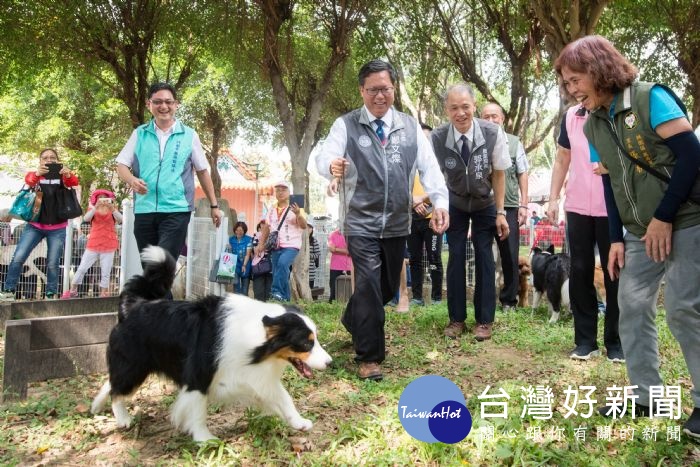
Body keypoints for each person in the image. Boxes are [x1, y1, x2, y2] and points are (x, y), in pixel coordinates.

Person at [555, 35, 700, 438]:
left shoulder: (650, 98)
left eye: (575, 79)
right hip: (638, 232)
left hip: (686, 220)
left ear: (599, 69)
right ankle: (645, 396)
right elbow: (611, 183)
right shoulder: (593, 124)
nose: (571, 90)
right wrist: (616, 237)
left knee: (684, 308)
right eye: (566, 84)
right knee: (632, 306)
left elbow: (691, 156)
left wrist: (664, 216)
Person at [316, 59, 449, 381]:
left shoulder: (409, 126)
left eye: (385, 89)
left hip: (396, 222)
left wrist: (441, 202)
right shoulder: (345, 125)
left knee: (386, 288)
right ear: (362, 90)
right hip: (359, 221)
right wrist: (330, 165)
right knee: (370, 284)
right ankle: (370, 357)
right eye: (373, 90)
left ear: (394, 90)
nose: (380, 96)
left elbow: (429, 168)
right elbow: (323, 157)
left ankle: (354, 318)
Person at [431, 83, 511, 341]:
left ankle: (484, 320)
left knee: (484, 256)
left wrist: (500, 211)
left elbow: (499, 173)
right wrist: (437, 206)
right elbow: (433, 175)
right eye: (454, 108)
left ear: (474, 107)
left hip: (484, 202)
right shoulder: (438, 137)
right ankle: (456, 319)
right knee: (454, 256)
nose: (460, 113)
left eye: (465, 107)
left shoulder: (491, 132)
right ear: (447, 110)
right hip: (454, 202)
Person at [547, 103, 623, 362]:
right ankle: (585, 341)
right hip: (577, 205)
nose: (576, 87)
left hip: (611, 207)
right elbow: (562, 158)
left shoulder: (618, 111)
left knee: (614, 272)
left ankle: (616, 341)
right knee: (579, 270)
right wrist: (553, 198)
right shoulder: (571, 115)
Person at [115, 82, 222, 264]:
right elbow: (121, 165)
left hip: (176, 210)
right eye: (157, 102)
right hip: (144, 209)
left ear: (176, 104)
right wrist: (132, 180)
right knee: (150, 267)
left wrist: (214, 206)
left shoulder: (189, 135)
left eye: (168, 102)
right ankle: (160, 294)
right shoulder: (139, 134)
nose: (163, 106)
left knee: (162, 264)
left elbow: (203, 171)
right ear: (149, 104)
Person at [0, 148, 79, 301]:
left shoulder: (63, 177)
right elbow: (28, 181)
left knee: (52, 262)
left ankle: (50, 293)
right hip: (35, 225)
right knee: (18, 257)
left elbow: (74, 183)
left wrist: (68, 174)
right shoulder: (34, 176)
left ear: (57, 160)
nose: (49, 160)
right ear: (40, 161)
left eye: (52, 158)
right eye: (45, 158)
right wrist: (37, 174)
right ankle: (8, 290)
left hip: (58, 227)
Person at [481, 102, 529, 310]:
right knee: (482, 254)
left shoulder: (514, 142)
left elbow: (522, 172)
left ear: (502, 119)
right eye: (486, 117)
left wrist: (524, 204)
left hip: (509, 206)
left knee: (509, 254)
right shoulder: (475, 141)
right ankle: (484, 298)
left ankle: (509, 299)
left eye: (495, 116)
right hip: (482, 205)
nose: (491, 121)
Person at [406, 124, 444, 306]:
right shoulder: (408, 162)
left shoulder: (437, 163)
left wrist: (422, 199)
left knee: (434, 258)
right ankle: (417, 297)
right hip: (412, 218)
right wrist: (413, 200)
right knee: (414, 259)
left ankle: (437, 298)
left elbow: (443, 188)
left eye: (426, 137)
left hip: (432, 218)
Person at [61, 189, 122, 298]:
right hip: (94, 242)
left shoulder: (113, 209)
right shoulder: (92, 208)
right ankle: (73, 290)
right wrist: (95, 207)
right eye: (100, 197)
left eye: (105, 197)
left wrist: (112, 209)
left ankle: (103, 292)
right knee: (82, 267)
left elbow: (121, 219)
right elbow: (86, 218)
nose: (103, 200)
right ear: (96, 199)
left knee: (106, 270)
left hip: (109, 243)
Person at [258, 180, 306, 302]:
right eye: (278, 190)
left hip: (292, 245)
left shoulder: (296, 207)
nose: (280, 193)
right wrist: (261, 244)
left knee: (283, 264)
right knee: (278, 271)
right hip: (276, 245)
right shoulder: (271, 209)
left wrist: (298, 214)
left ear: (289, 192)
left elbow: (304, 225)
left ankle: (275, 292)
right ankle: (285, 300)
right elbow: (266, 228)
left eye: (283, 190)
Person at [327, 228, 352, 302]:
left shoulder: (352, 233)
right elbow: (331, 249)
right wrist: (345, 250)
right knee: (333, 288)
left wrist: (336, 249)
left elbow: (352, 251)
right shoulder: (333, 234)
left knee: (349, 288)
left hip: (349, 266)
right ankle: (332, 305)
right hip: (335, 266)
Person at [228, 221, 252, 296]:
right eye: (237, 230)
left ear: (244, 231)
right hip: (234, 267)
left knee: (244, 290)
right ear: (235, 230)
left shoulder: (248, 239)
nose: (239, 232)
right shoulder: (231, 239)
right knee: (236, 290)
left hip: (246, 266)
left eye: (241, 230)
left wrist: (244, 265)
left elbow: (247, 254)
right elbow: (230, 252)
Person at [251, 221, 272, 301]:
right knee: (258, 292)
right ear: (259, 226)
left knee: (269, 292)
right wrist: (262, 240)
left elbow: (273, 247)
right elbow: (256, 250)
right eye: (262, 224)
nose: (264, 226)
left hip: (271, 267)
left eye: (266, 224)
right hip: (259, 267)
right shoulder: (255, 237)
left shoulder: (273, 236)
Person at [308, 225, 321, 290]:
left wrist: (308, 255)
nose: (308, 229)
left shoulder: (313, 241)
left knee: (310, 288)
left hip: (310, 269)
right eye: (306, 227)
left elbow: (317, 254)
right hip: (300, 269)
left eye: (310, 228)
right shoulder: (299, 239)